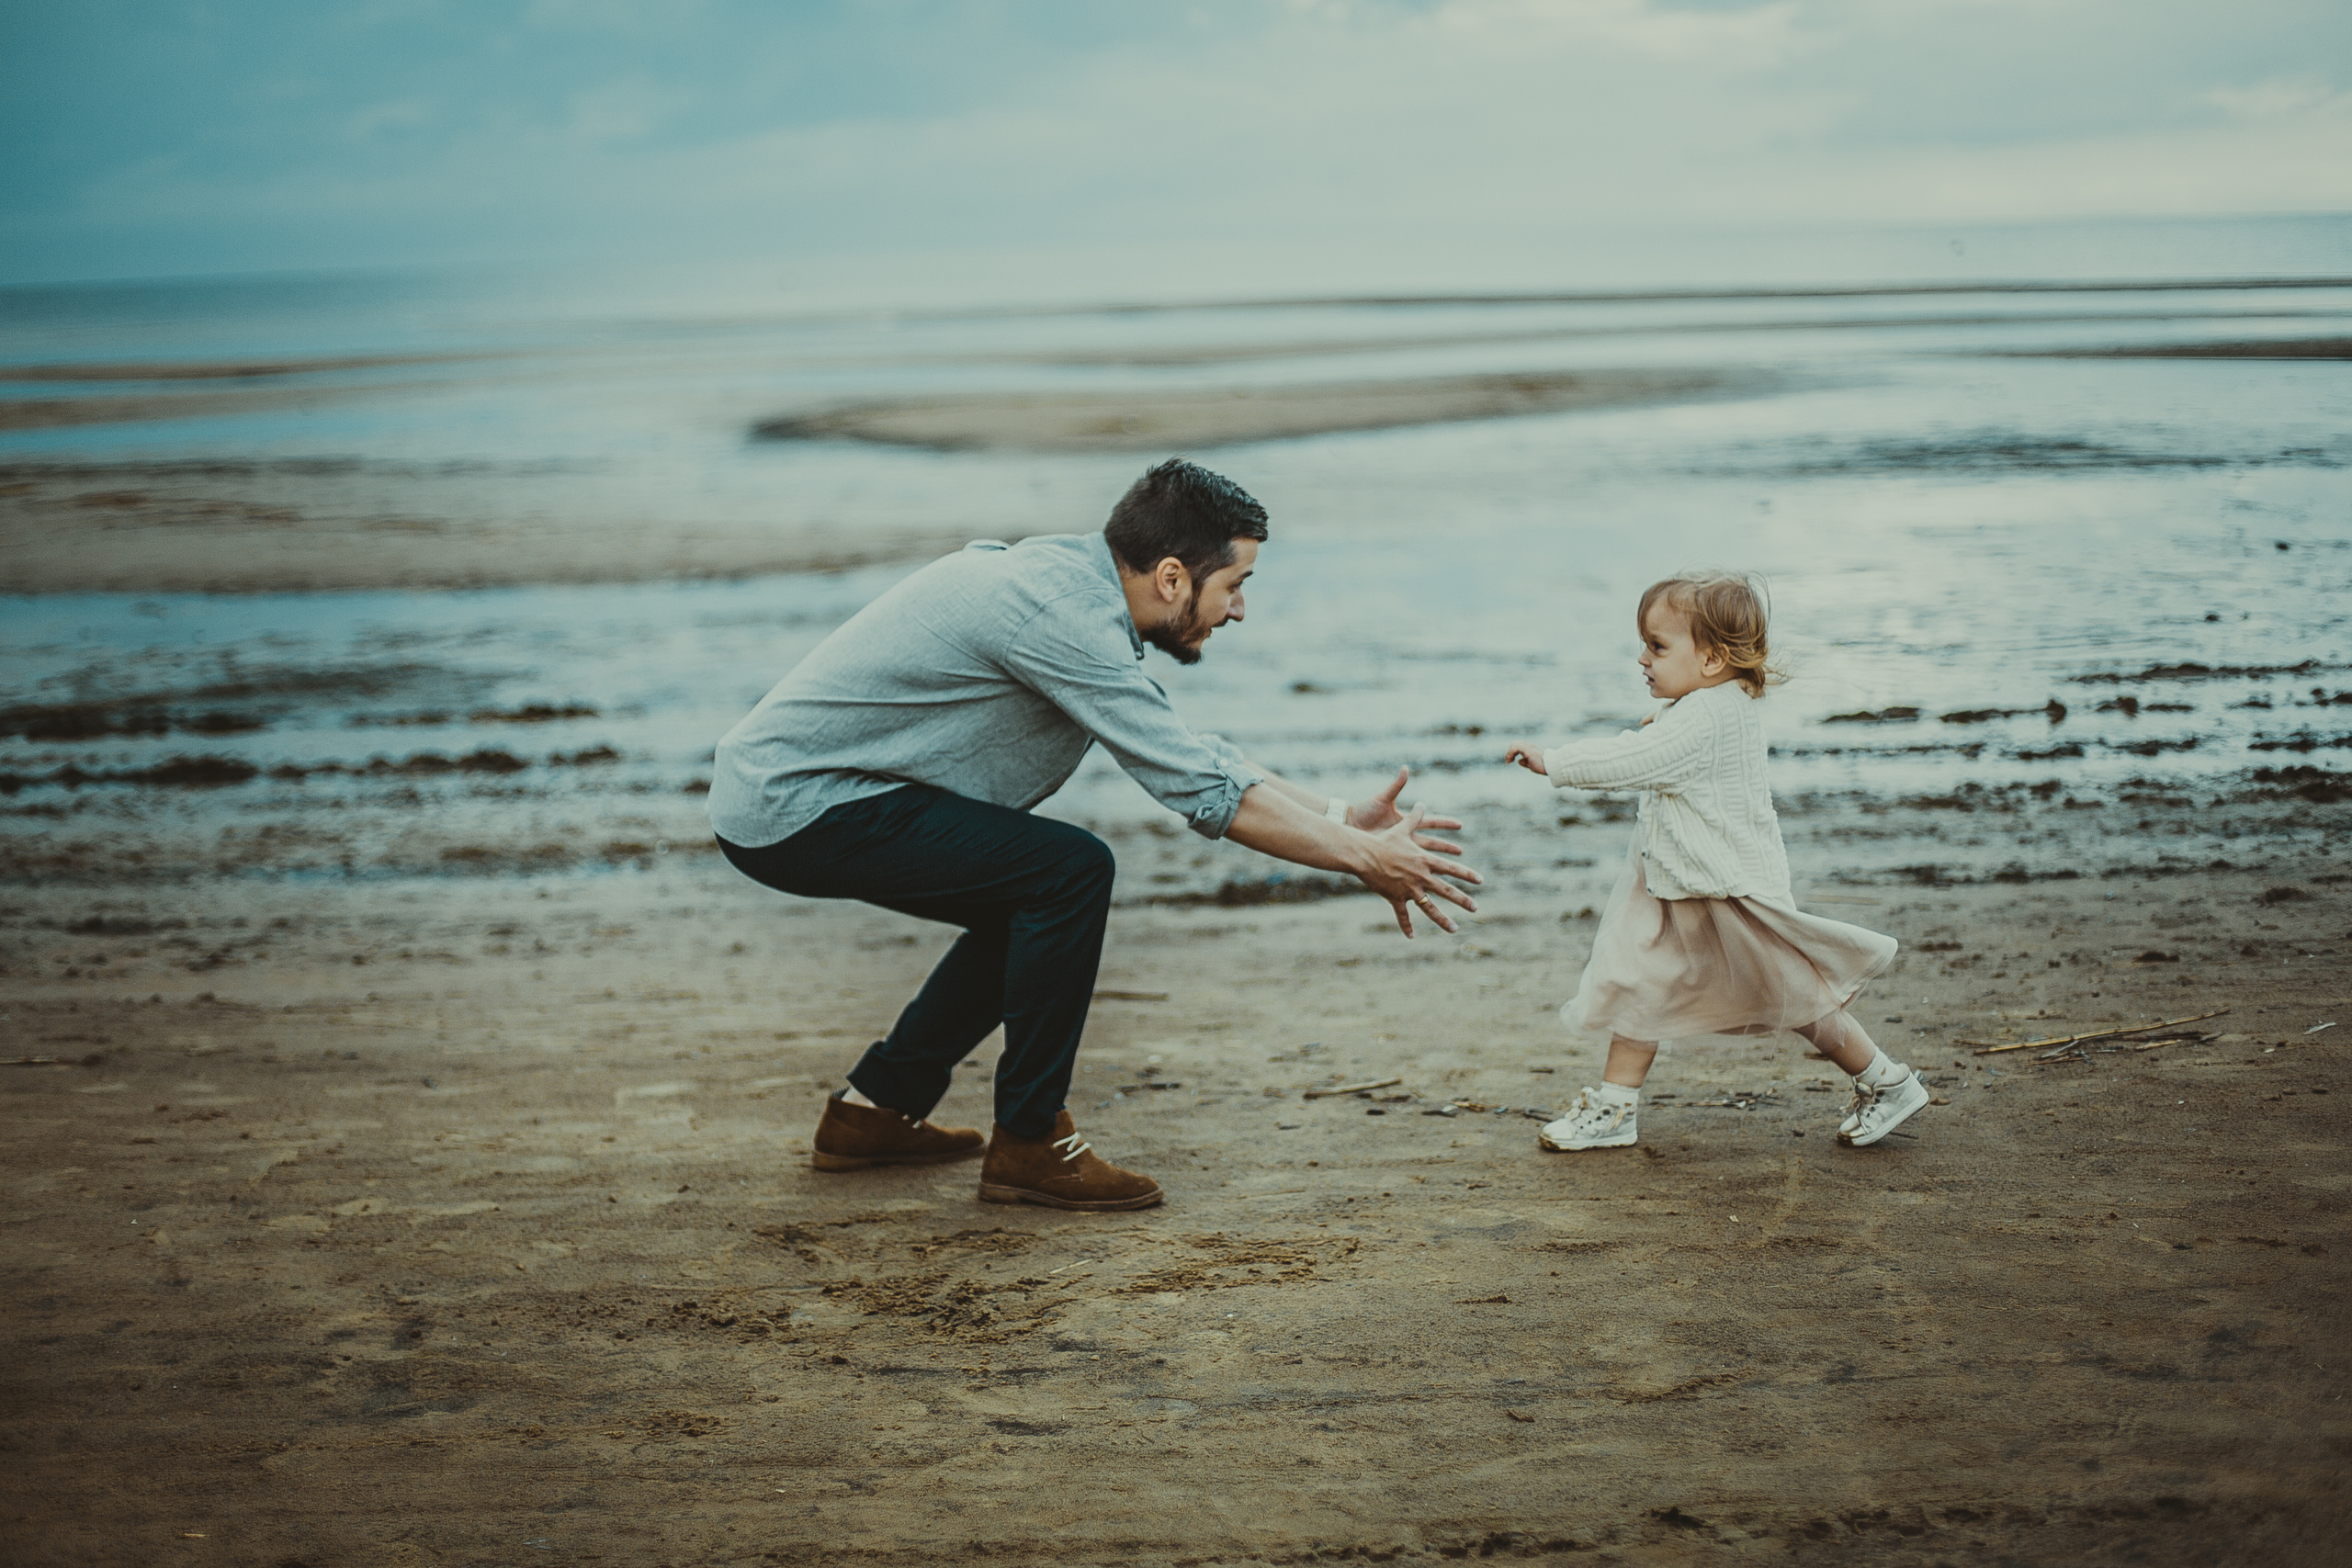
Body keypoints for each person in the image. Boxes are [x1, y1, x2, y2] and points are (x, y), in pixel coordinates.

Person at [708, 458, 1482, 1212]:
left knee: (1033, 888)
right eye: (1236, 586)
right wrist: (1365, 861)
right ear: (1173, 576)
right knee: (1067, 872)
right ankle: (1030, 1140)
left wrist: (1341, 819)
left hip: (802, 793)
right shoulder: (1066, 618)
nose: (1240, 610)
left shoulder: (1074, 588)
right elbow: (1203, 790)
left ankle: (875, 1110)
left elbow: (1189, 749)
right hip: (796, 804)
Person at [1499, 572, 1926, 1152]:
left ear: (1712, 658)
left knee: (1792, 994)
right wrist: (1668, 721)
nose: (1642, 659)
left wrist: (1556, 762)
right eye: (1644, 644)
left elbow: (1635, 760)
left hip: (1723, 891)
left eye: (1657, 646)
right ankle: (1616, 1105)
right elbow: (1671, 745)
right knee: (1636, 980)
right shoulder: (1710, 707)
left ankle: (1886, 1081)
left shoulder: (1703, 719)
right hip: (1673, 886)